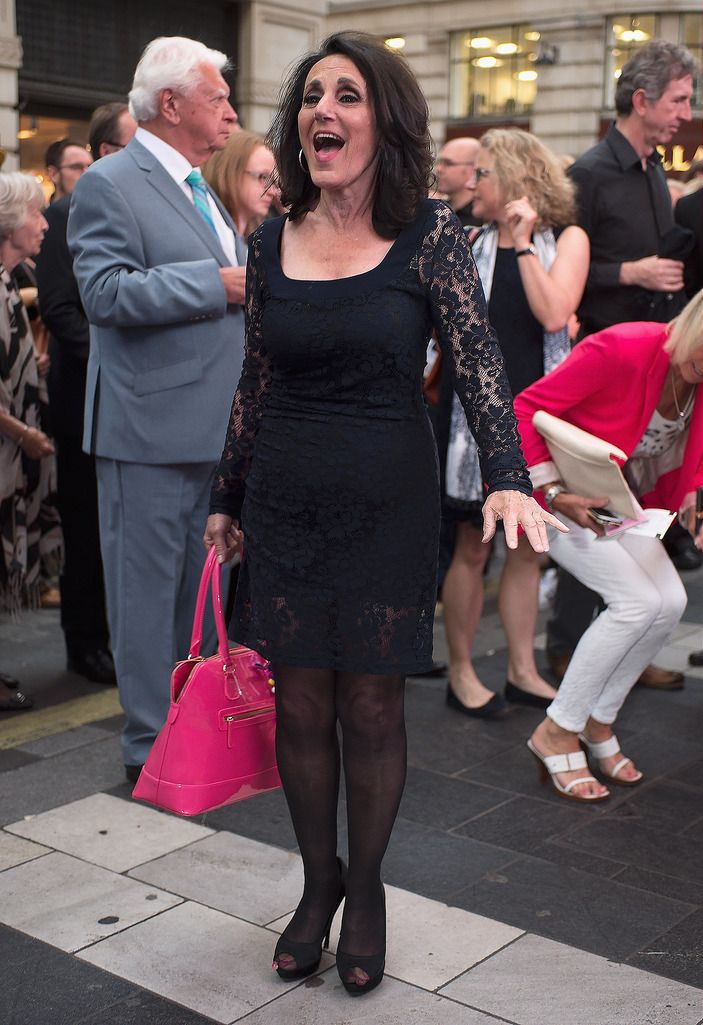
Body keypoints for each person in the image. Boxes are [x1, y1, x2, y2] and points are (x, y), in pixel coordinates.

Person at [204, 30, 564, 997]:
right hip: (285, 496)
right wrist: (227, 496)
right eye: (313, 96)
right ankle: (316, 884)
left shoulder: (431, 236)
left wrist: (507, 475)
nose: (325, 110)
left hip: (385, 499)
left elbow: (482, 365)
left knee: (368, 702)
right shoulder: (269, 237)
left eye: (349, 95)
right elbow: (256, 376)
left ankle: (365, 891)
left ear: (384, 120)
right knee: (302, 700)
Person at [67, 36, 247, 781]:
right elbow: (104, 294)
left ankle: (189, 737)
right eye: (218, 98)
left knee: (200, 602)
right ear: (170, 105)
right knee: (144, 608)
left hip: (214, 434)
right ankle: (149, 754)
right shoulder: (110, 182)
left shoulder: (200, 187)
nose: (231, 113)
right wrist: (219, 284)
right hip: (147, 433)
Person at [546, 39, 699, 688]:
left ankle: (623, 649)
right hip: (606, 371)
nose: (686, 114)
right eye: (679, 100)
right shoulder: (587, 172)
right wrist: (628, 270)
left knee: (639, 517)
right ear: (641, 101)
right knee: (597, 516)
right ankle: (564, 653)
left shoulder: (652, 170)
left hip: (653, 371)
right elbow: (564, 272)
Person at [514, 289, 703, 802]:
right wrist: (553, 491)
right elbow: (524, 407)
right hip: (555, 492)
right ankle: (556, 730)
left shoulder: (695, 377)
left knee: (671, 603)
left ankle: (598, 722)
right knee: (636, 602)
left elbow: (685, 453)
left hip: (617, 504)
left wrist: (690, 496)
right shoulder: (623, 347)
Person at [442, 128, 589, 717]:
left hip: (538, 416)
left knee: (530, 547)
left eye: (484, 173)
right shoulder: (465, 238)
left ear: (515, 180)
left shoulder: (564, 239)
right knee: (472, 548)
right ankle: (459, 672)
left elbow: (555, 313)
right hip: (471, 419)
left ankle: (522, 669)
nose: (473, 183)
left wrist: (523, 243)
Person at [35, 104, 137, 685]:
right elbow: (61, 310)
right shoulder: (65, 215)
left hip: (128, 401)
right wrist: (117, 356)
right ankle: (85, 642)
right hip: (81, 401)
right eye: (132, 148)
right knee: (85, 526)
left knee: (117, 531)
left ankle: (115, 637)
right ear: (106, 154)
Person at [0, 173, 61, 711]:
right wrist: (26, 434)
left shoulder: (10, 278)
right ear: (9, 221)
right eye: (37, 214)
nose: (44, 223)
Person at [203, 129, 276, 238]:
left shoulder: (258, 238)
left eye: (273, 181)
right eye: (263, 177)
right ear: (230, 173)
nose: (272, 192)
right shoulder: (209, 232)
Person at [434, 137, 480, 226]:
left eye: (448, 163)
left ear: (473, 168)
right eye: (439, 162)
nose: (439, 169)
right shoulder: (438, 209)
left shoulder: (480, 216)